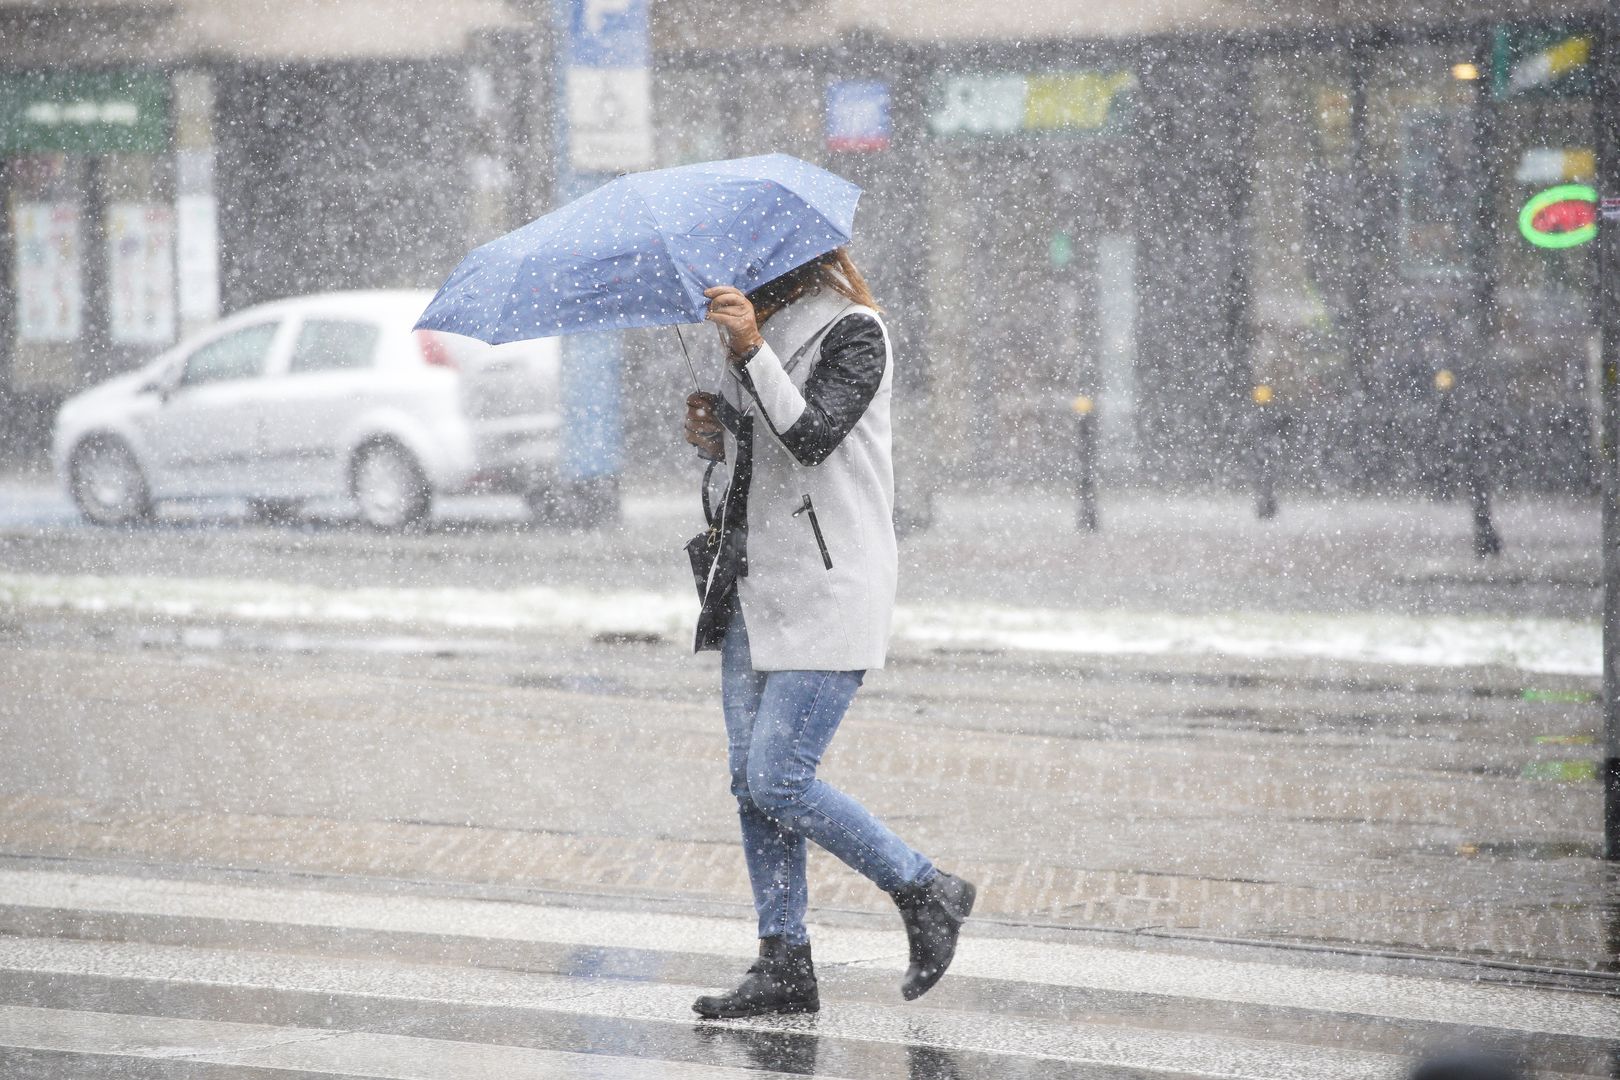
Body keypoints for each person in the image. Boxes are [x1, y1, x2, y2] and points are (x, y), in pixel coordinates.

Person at [681, 249, 976, 1020]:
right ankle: (783, 962)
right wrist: (718, 439)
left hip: (830, 588)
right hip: (753, 590)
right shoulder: (761, 333)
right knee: (751, 785)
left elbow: (811, 438)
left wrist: (750, 353)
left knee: (778, 775)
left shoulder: (857, 333)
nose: (734, 276)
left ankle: (925, 888)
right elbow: (766, 472)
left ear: (791, 261)